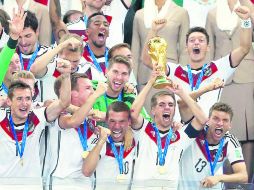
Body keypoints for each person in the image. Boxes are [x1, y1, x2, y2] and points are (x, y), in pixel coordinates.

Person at [142, 5, 252, 117]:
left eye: (201, 40)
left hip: (208, 130)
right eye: (192, 40)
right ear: (186, 47)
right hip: (181, 130)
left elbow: (244, 48)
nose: (196, 43)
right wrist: (153, 30)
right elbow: (146, 59)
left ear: (208, 47)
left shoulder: (218, 68)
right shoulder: (175, 71)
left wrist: (246, 21)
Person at [128, 71, 207, 190]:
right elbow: (133, 113)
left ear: (174, 110)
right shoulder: (144, 129)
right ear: (153, 110)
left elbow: (202, 119)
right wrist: (150, 83)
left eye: (171, 105)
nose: (167, 107)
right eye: (162, 104)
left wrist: (182, 94)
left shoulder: (181, 136)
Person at [206, 0, 254, 181]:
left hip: (247, 76)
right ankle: (225, 182)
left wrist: (248, 11)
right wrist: (208, 79)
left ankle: (245, 183)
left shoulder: (250, 7)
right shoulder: (212, 13)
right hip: (222, 77)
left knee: (248, 132)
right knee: (223, 129)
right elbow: (208, 49)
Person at [0, 60, 71, 178]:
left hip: (32, 185)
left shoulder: (38, 117)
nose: (24, 103)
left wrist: (66, 75)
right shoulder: (1, 117)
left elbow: (64, 103)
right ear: (9, 101)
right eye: (19, 99)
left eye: (28, 98)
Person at [45, 74, 107, 190]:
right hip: (61, 183)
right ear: (73, 93)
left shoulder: (92, 120)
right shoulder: (59, 115)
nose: (93, 92)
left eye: (93, 89)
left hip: (87, 184)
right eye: (88, 88)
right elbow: (74, 121)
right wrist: (97, 94)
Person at [179, 102, 248, 190]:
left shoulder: (230, 141)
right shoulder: (196, 130)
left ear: (230, 125)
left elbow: (243, 176)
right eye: (216, 118)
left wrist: (219, 178)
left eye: (225, 120)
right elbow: (182, 104)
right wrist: (208, 88)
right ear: (208, 120)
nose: (220, 123)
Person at [82, 101, 135, 190]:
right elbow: (86, 171)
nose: (117, 126)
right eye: (112, 121)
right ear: (106, 120)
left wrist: (129, 130)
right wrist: (101, 140)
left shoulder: (136, 140)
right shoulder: (99, 141)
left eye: (122, 121)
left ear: (129, 121)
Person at [30, 33, 83, 101]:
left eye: (75, 61)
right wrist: (61, 46)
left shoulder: (87, 70)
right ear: (59, 54)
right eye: (67, 60)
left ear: (81, 56)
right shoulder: (50, 67)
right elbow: (34, 69)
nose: (71, 65)